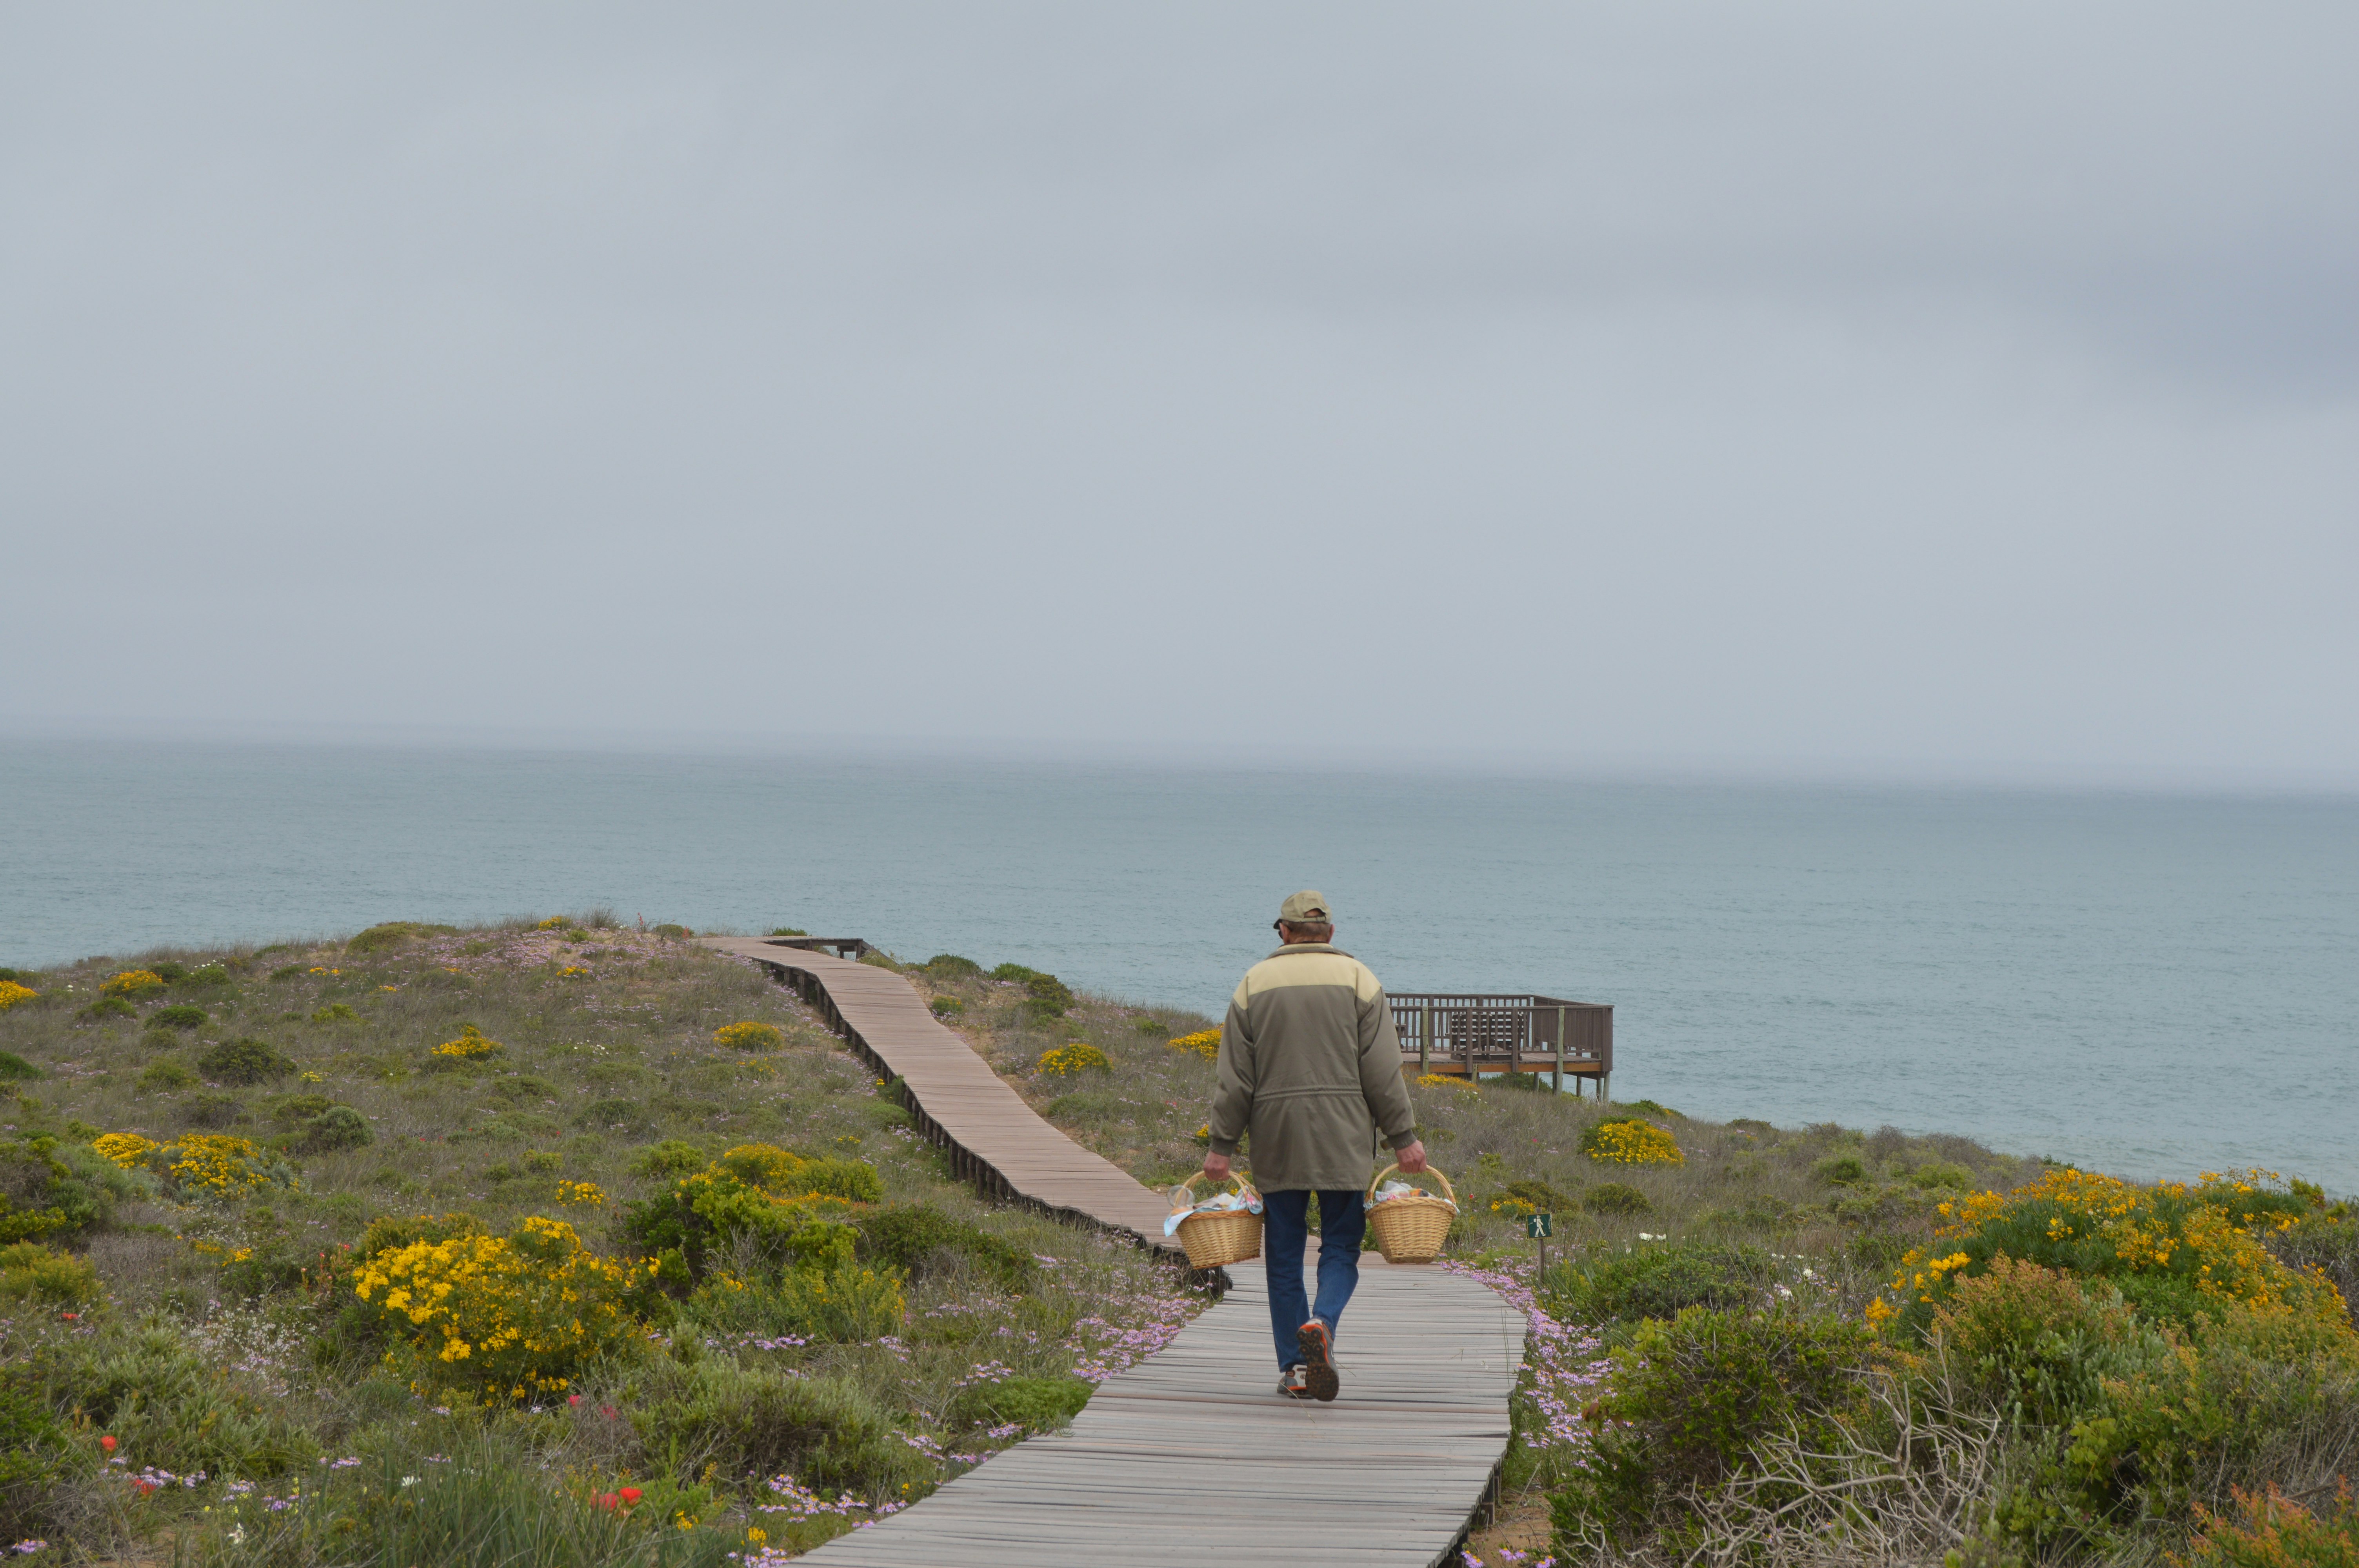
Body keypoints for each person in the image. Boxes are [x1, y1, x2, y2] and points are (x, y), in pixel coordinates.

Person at [1202, 890, 1427, 1402]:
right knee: (1342, 1246)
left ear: (1283, 932)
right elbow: (1383, 1073)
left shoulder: (1253, 984)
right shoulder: (1359, 981)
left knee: (1283, 1254)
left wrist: (1222, 1145)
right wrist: (1403, 1138)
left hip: (1277, 1133)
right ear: (1330, 933)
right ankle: (1322, 1324)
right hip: (1343, 1134)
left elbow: (1235, 1078)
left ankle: (1296, 1371)